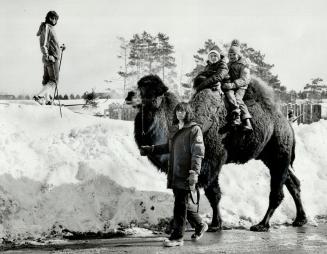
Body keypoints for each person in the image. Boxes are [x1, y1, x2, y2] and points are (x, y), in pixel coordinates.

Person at [140, 102, 208, 247]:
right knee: (181, 202)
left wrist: (194, 172)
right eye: (178, 111)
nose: (180, 114)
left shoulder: (194, 130)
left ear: (188, 113)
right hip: (175, 172)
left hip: (186, 173)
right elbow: (168, 147)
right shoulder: (175, 129)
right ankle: (200, 224)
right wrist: (151, 149)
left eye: (183, 111)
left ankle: (177, 237)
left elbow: (198, 153)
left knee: (179, 205)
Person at [222, 39, 253, 132]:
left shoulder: (243, 65)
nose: (232, 57)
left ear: (238, 54)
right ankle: (234, 116)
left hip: (240, 87)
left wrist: (232, 85)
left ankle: (247, 121)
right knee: (228, 97)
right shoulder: (228, 64)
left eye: (234, 54)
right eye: (230, 55)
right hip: (231, 86)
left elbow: (245, 79)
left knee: (238, 99)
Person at [34, 11, 61, 105]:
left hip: (48, 58)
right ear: (48, 18)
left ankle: (47, 100)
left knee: (47, 80)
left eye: (55, 18)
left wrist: (60, 47)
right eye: (52, 18)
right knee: (54, 80)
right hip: (51, 58)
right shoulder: (47, 27)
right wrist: (48, 55)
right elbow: (43, 43)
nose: (54, 20)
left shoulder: (50, 28)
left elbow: (51, 43)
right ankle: (39, 96)